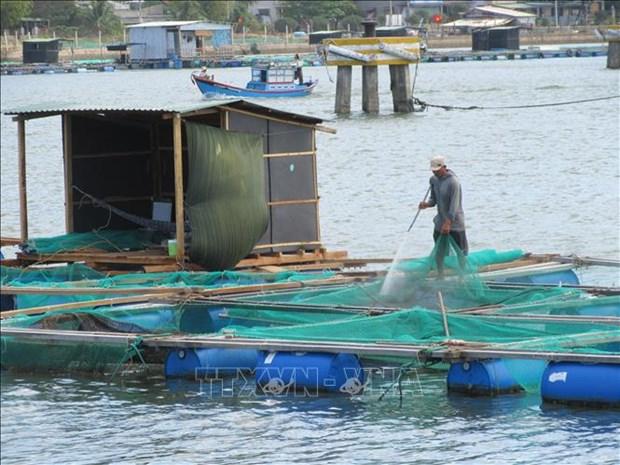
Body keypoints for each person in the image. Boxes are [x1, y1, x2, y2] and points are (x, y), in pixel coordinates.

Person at [418, 155, 468, 276]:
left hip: (455, 223)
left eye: (437, 170)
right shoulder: (433, 180)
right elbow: (433, 200)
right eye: (433, 170)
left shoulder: (453, 182)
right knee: (439, 251)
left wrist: (448, 222)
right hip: (440, 222)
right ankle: (441, 275)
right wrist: (426, 204)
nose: (435, 172)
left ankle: (463, 276)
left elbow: (454, 205)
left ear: (444, 167)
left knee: (461, 251)